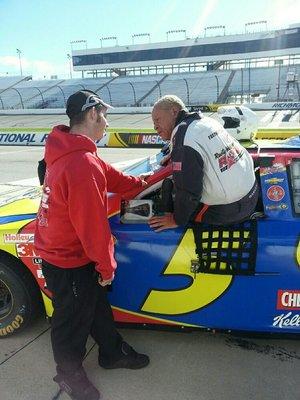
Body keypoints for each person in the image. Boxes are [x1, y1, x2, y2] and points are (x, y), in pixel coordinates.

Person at [34, 90, 149, 400]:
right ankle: (68, 374)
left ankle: (111, 352)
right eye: (104, 116)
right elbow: (93, 228)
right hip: (66, 258)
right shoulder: (81, 163)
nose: (106, 122)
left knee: (95, 306)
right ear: (93, 115)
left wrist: (146, 182)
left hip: (63, 249)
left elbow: (113, 178)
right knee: (70, 320)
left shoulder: (74, 151)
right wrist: (106, 266)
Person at [149, 95, 258, 232]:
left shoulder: (184, 139)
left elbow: (189, 191)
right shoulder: (205, 121)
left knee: (175, 191)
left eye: (157, 120)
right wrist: (175, 152)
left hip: (230, 210)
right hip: (251, 193)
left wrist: (177, 219)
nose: (155, 127)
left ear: (174, 111)